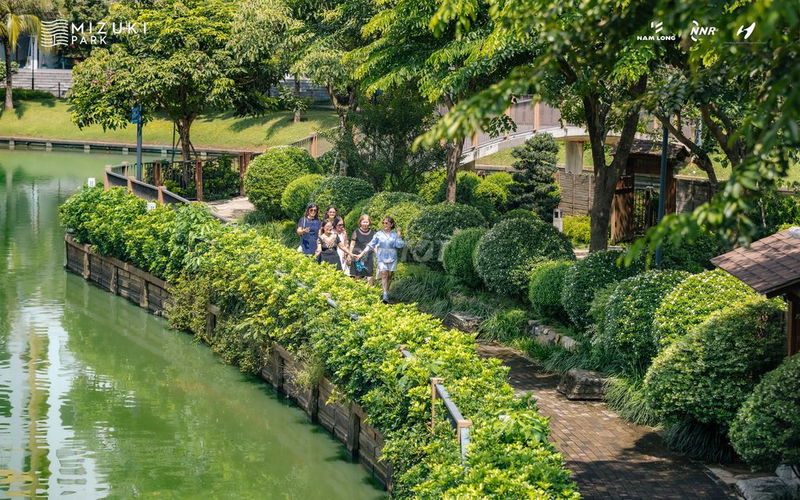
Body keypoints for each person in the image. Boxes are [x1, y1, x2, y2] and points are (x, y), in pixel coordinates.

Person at [357, 216, 405, 304]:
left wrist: (399, 236)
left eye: (386, 223)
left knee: (390, 275)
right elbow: (371, 244)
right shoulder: (379, 234)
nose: (384, 224)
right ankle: (385, 294)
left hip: (392, 256)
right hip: (381, 256)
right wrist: (362, 253)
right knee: (384, 274)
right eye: (383, 223)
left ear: (391, 224)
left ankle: (386, 291)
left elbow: (400, 245)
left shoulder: (394, 234)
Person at [349, 215, 375, 285]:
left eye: (367, 222)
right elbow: (352, 244)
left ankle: (371, 290)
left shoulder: (373, 232)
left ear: (369, 223)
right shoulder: (356, 232)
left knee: (369, 274)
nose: (365, 224)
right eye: (363, 222)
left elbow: (375, 245)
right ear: (360, 222)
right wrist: (350, 254)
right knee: (358, 274)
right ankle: (357, 289)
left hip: (368, 256)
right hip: (357, 255)